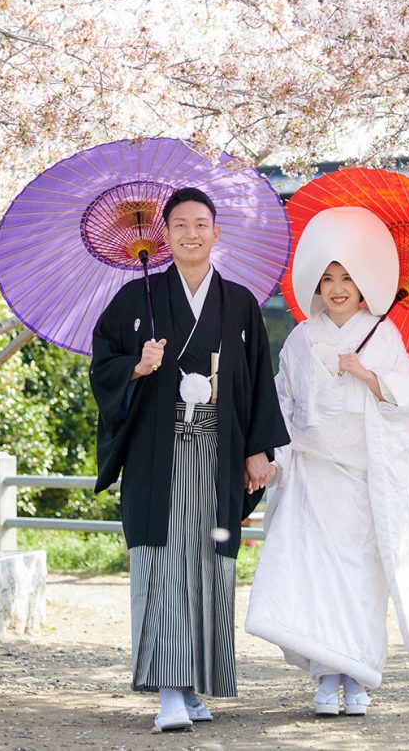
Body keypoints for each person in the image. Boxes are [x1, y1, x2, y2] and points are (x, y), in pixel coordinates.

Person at [90, 187, 289, 732]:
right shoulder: (137, 300)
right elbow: (101, 363)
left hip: (220, 457)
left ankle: (197, 685)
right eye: (179, 225)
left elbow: (257, 384)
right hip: (160, 458)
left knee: (211, 565)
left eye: (201, 224)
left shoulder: (242, 304)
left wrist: (256, 449)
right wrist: (136, 365)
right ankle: (169, 692)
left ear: (215, 232)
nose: (190, 234)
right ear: (165, 234)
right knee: (162, 567)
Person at [245, 205, 409, 717]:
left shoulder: (383, 334)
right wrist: (272, 456)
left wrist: (368, 375)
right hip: (312, 474)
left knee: (360, 577)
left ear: (364, 282)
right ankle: (327, 678)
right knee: (315, 576)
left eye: (347, 276)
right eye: (328, 278)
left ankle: (360, 674)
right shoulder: (303, 339)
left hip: (362, 477)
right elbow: (281, 400)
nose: (338, 287)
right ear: (315, 286)